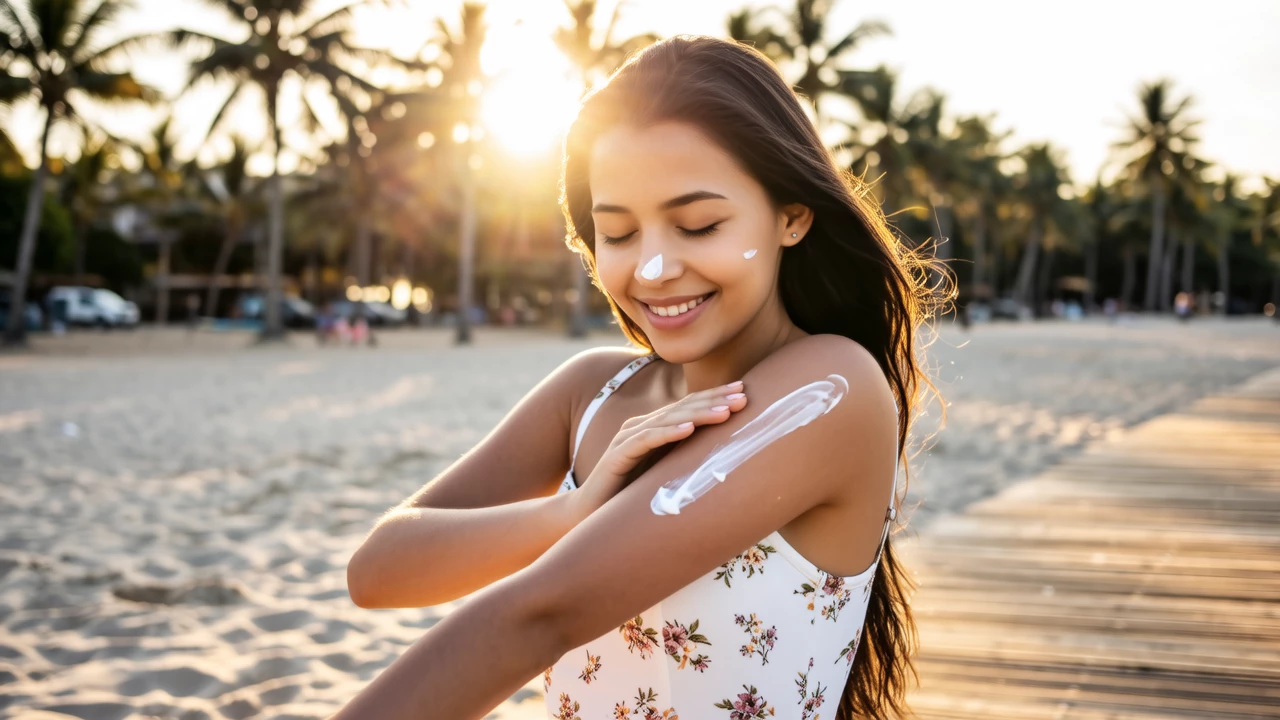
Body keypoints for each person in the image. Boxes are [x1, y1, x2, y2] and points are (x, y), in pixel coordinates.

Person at [338, 36, 941, 720]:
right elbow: (377, 571)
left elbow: (540, 616)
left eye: (698, 224)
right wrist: (569, 511)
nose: (652, 269)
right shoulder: (589, 396)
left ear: (791, 217)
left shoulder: (832, 389)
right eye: (619, 235)